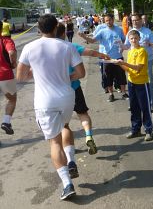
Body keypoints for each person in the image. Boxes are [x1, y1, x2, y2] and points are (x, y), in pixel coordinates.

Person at [17, 14, 85, 200]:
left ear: (39, 29)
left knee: (54, 142)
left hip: (45, 102)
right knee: (65, 127)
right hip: (66, 98)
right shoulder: (68, 46)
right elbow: (81, 73)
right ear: (56, 28)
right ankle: (71, 160)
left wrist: (37, 73)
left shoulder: (30, 48)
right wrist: (65, 77)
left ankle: (67, 184)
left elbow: (21, 77)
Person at [56, 23, 110, 154]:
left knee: (64, 124)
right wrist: (103, 55)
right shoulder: (71, 46)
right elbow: (90, 52)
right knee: (83, 114)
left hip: (58, 91)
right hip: (74, 88)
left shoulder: (46, 50)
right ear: (64, 33)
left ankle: (68, 150)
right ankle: (89, 135)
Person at [79, 13, 128, 102]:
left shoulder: (119, 30)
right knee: (107, 77)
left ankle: (124, 93)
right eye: (106, 21)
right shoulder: (102, 31)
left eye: (110, 20)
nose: (108, 22)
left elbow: (123, 40)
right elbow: (93, 40)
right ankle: (111, 94)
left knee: (121, 76)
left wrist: (122, 48)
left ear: (113, 20)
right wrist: (84, 37)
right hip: (106, 58)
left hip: (118, 57)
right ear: (104, 21)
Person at [115, 29, 153, 141]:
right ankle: (135, 129)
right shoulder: (130, 52)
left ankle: (148, 130)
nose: (133, 40)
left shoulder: (142, 51)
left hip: (142, 83)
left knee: (145, 107)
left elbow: (138, 67)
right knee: (134, 107)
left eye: (135, 38)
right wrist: (119, 64)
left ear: (139, 39)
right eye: (131, 38)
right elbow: (128, 69)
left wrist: (123, 62)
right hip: (131, 82)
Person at [125, 13, 153, 112]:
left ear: (141, 20)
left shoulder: (148, 32)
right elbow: (127, 46)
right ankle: (134, 103)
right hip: (133, 61)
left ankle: (151, 104)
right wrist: (120, 46)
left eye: (136, 20)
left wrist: (149, 43)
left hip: (147, 61)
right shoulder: (130, 32)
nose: (135, 22)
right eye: (133, 21)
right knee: (133, 82)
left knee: (148, 82)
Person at [0, 20, 17, 135]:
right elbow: (11, 52)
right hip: (4, 75)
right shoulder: (5, 40)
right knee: (12, 99)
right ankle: (6, 122)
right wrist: (13, 63)